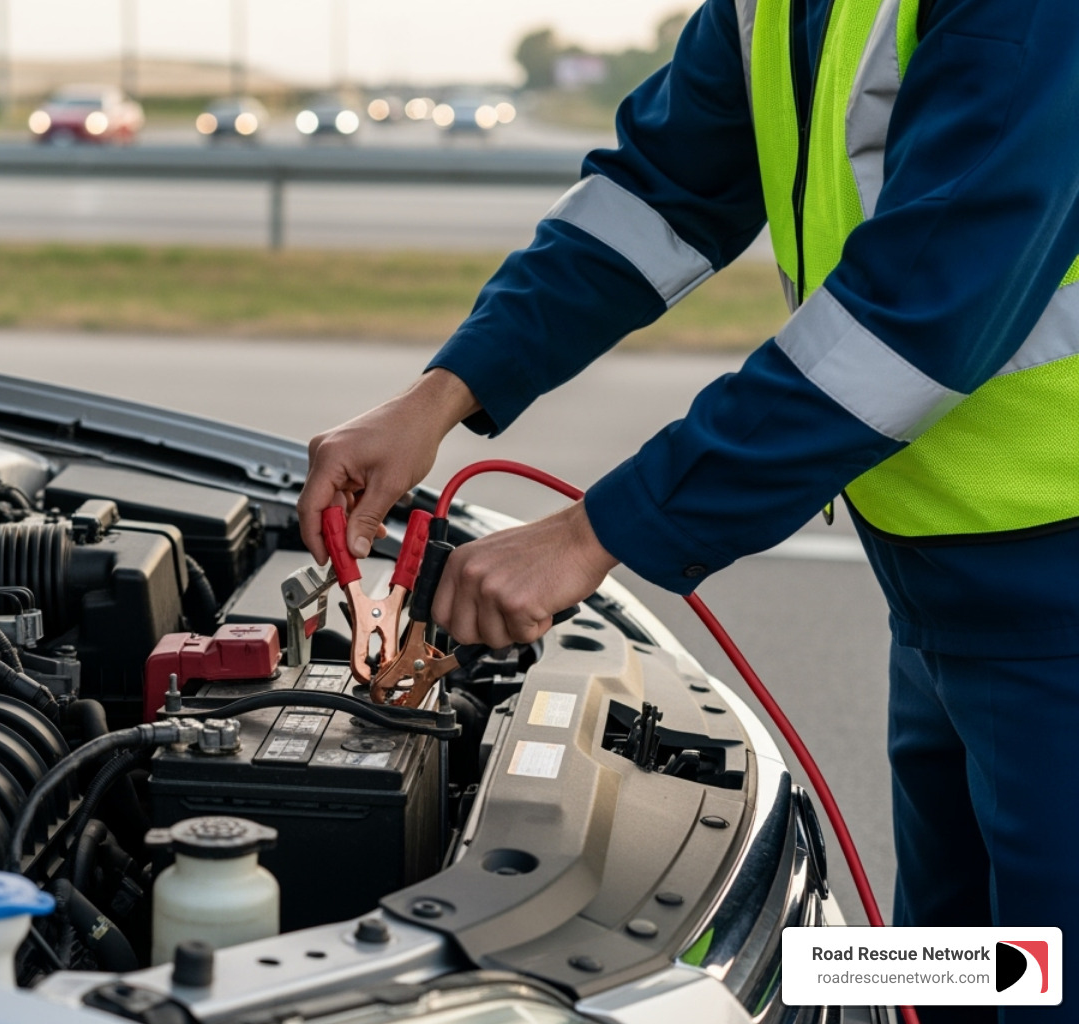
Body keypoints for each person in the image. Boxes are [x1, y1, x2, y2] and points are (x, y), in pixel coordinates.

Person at [297, 2, 1078, 1022]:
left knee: (1048, 975)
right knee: (966, 964)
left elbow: (924, 307)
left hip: (1056, 586)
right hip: (946, 587)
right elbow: (656, 195)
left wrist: (596, 532)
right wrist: (439, 395)